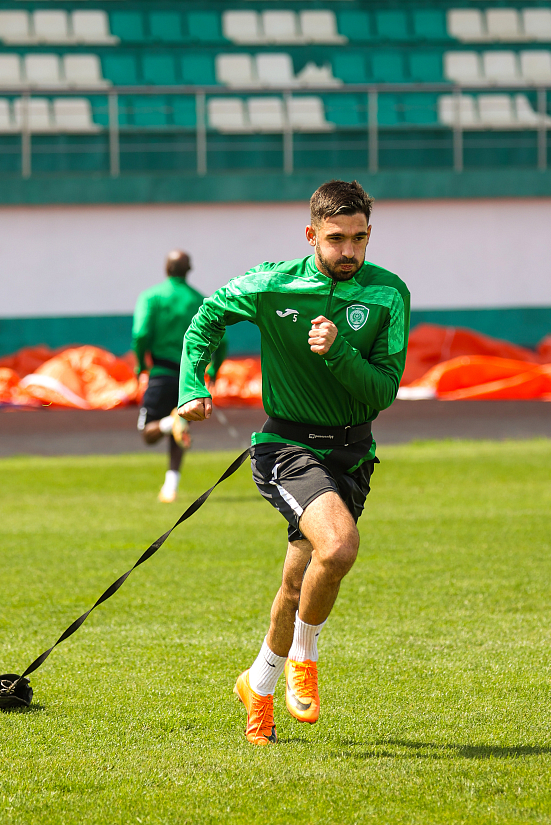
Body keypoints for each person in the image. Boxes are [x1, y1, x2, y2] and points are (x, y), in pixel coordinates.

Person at [177, 180, 410, 745]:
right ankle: (304, 657)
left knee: (295, 581)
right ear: (311, 235)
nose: (349, 251)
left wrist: (339, 350)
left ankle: (257, 686)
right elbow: (208, 316)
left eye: (359, 238)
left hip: (352, 452)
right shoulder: (272, 284)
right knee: (340, 548)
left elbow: (383, 391)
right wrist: (191, 384)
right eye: (336, 238)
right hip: (287, 447)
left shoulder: (389, 294)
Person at [133, 249, 225, 503]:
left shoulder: (151, 297)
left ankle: (168, 423)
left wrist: (140, 365)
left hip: (161, 372)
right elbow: (223, 339)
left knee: (148, 433)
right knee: (180, 428)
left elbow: (140, 334)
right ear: (189, 270)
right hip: (190, 378)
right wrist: (214, 369)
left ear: (166, 269)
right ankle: (170, 486)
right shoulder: (201, 300)